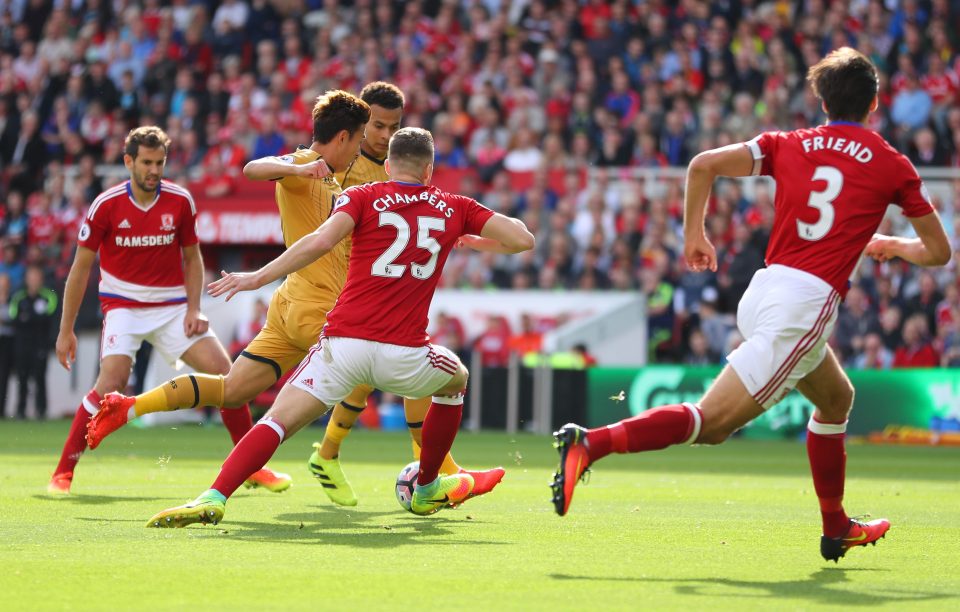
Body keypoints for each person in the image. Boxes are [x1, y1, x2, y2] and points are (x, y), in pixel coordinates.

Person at [550, 48, 951, 563]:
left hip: (764, 291)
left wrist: (694, 236)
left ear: (821, 100)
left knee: (835, 400)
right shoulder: (893, 164)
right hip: (804, 307)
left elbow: (703, 165)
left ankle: (837, 528)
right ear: (874, 103)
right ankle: (591, 443)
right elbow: (938, 253)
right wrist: (895, 245)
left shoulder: (789, 143)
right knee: (712, 425)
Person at [129, 127, 534, 527]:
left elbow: (319, 242)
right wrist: (465, 234)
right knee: (456, 379)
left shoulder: (362, 195)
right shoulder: (453, 206)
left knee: (276, 420)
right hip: (404, 355)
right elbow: (521, 240)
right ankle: (427, 485)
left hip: (343, 347)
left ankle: (213, 496)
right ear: (430, 170)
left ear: (389, 164)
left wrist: (257, 277)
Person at [85, 92, 370, 473]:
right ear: (343, 138)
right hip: (316, 310)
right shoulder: (305, 163)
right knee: (387, 365)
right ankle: (411, 469)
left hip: (290, 304)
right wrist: (299, 170)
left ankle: (130, 406)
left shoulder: (332, 180)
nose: (359, 151)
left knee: (231, 390)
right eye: (360, 139)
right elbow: (254, 168)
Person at [48, 126, 290, 495]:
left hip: (173, 308)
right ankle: (64, 472)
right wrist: (66, 331)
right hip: (123, 308)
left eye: (159, 162)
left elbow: (193, 259)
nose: (154, 170)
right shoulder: (106, 205)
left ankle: (252, 469)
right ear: (129, 162)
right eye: (146, 162)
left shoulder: (180, 200)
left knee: (228, 376)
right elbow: (80, 270)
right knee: (111, 381)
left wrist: (195, 307)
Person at [309, 82, 505, 508]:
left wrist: (468, 240)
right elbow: (272, 169)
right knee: (407, 369)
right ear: (359, 126)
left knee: (383, 371)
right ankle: (440, 477)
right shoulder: (343, 163)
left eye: (392, 126)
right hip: (338, 285)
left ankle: (332, 453)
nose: (382, 134)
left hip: (376, 288)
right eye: (376, 125)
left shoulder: (398, 170)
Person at [10, 265, 57, 419]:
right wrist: (33, 318)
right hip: (22, 345)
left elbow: (49, 316)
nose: (34, 281)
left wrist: (28, 318)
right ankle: (20, 410)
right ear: (27, 280)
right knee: (22, 378)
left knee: (40, 378)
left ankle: (41, 410)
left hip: (40, 345)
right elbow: (14, 318)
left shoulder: (48, 296)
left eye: (36, 278)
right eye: (31, 278)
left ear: (41, 280)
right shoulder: (19, 297)